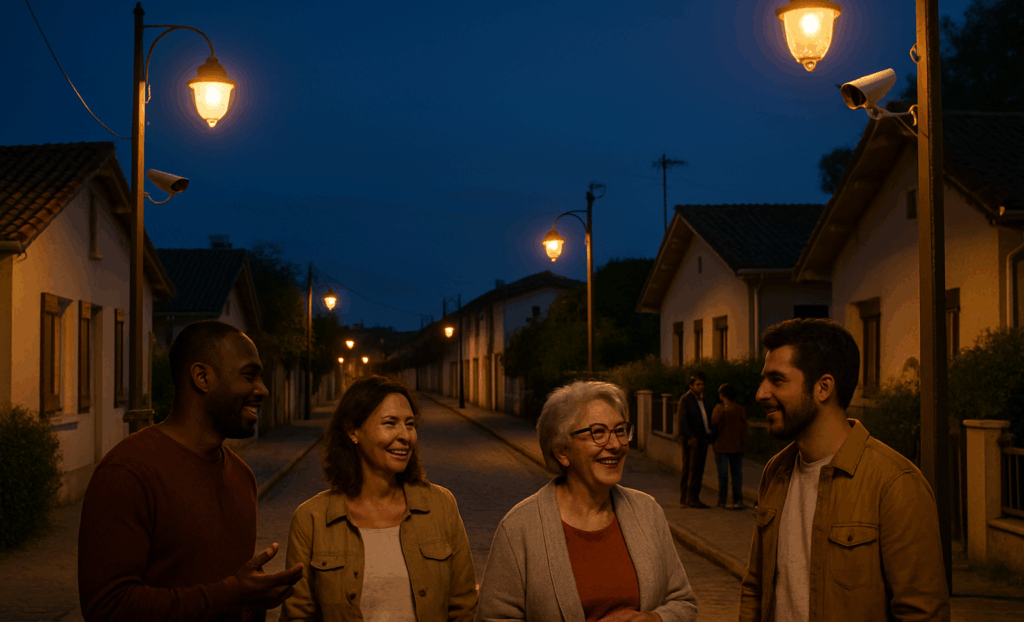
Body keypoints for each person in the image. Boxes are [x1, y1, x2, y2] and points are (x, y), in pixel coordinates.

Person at [78, 320, 303, 622]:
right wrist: (233, 594)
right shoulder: (128, 473)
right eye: (249, 376)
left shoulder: (241, 476)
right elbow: (107, 608)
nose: (262, 390)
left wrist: (252, 597)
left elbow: (238, 592)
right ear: (202, 377)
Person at [740, 319, 950, 622]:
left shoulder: (894, 483)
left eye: (777, 380)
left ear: (823, 387)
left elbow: (923, 612)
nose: (761, 393)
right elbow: (755, 587)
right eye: (764, 379)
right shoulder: (776, 471)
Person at [476, 380, 698, 622]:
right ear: (562, 451)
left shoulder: (648, 511)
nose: (615, 445)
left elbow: (684, 603)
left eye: (620, 430)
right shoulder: (519, 528)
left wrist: (654, 619)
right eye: (598, 433)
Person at [281, 375, 477, 622]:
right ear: (353, 430)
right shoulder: (312, 519)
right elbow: (297, 616)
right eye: (390, 423)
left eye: (410, 424)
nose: (405, 435)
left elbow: (464, 606)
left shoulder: (441, 506)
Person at [675, 372, 715, 508]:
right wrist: (689, 436)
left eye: (702, 384)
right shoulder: (686, 400)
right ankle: (686, 497)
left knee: (698, 470)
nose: (701, 387)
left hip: (703, 439)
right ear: (691, 385)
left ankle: (694, 497)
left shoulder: (705, 400)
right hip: (692, 440)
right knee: (689, 469)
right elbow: (682, 421)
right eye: (698, 384)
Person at [710, 383, 747, 509]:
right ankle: (738, 500)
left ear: (722, 395)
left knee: (723, 475)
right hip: (736, 446)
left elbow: (714, 423)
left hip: (721, 446)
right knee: (736, 475)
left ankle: (722, 500)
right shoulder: (740, 409)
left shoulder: (719, 409)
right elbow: (743, 429)